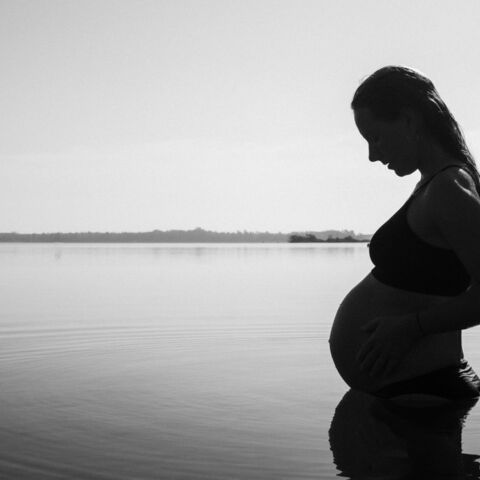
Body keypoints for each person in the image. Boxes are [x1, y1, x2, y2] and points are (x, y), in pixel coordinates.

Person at [329, 66, 480, 401]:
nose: (372, 155)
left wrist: (411, 328)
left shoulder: (449, 188)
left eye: (376, 137)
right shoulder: (433, 185)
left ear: (410, 121)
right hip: (414, 391)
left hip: (429, 390)